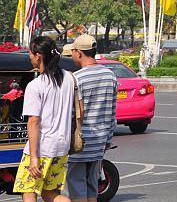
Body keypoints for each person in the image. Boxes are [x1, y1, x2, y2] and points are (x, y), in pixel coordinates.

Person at [13, 35, 75, 202]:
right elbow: (79, 110)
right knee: (50, 193)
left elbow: (34, 121)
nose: (29, 56)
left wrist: (34, 157)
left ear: (38, 56)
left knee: (28, 190)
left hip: (42, 148)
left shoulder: (35, 86)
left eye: (30, 53)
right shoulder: (69, 78)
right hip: (62, 146)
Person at [66, 35, 116, 202]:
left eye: (73, 51)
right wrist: (107, 140)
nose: (72, 54)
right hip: (100, 141)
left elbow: (72, 113)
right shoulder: (110, 76)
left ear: (79, 53)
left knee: (77, 189)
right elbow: (112, 112)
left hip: (79, 142)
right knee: (92, 188)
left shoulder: (76, 78)